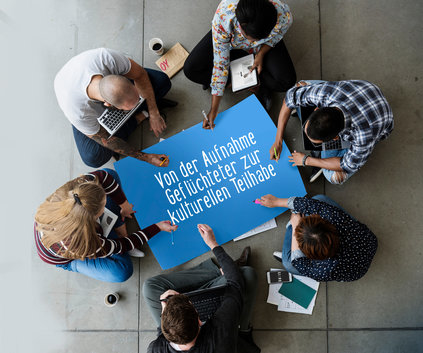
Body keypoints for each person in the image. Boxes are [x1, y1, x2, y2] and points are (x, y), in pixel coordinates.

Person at [34, 168, 178, 282]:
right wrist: (157, 227)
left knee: (110, 175)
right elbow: (124, 245)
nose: (105, 205)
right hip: (69, 255)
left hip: (76, 225)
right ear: (90, 220)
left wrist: (124, 205)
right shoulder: (85, 243)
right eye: (102, 208)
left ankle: (116, 225)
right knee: (122, 271)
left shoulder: (77, 190)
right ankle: (75, 266)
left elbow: (105, 177)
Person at [143, 224, 260, 353]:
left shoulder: (155, 349)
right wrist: (213, 244)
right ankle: (243, 330)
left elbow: (161, 335)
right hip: (225, 336)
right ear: (199, 320)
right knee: (246, 275)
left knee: (150, 287)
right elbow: (235, 284)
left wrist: (164, 315)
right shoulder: (221, 332)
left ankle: (219, 272)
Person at [54, 47, 178, 168]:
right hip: (81, 108)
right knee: (93, 157)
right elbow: (106, 139)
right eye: (127, 108)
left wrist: (154, 112)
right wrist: (146, 157)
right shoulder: (77, 111)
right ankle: (138, 118)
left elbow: (140, 76)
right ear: (108, 104)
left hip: (100, 80)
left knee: (162, 81)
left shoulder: (107, 58)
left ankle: (139, 113)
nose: (137, 104)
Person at [183, 0, 296, 128]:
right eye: (251, 39)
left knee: (286, 81)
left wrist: (261, 53)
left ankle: (244, 78)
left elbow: (278, 35)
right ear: (240, 26)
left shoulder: (283, 15)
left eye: (259, 39)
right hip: (228, 43)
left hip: (262, 48)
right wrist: (213, 110)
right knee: (191, 69)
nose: (253, 44)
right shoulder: (224, 17)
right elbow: (220, 64)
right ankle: (242, 77)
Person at [270, 80, 394, 184]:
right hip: (362, 92)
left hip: (377, 122)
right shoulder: (325, 93)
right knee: (299, 86)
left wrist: (306, 160)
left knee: (333, 177)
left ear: (336, 138)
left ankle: (322, 157)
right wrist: (278, 139)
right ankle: (323, 156)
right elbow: (290, 97)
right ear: (317, 109)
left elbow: (347, 165)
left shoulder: (363, 135)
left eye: (317, 142)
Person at [257, 194, 378, 282]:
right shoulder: (337, 219)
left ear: (310, 255)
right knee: (319, 200)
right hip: (368, 242)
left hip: (352, 268)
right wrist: (277, 201)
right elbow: (316, 206)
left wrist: (294, 224)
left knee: (288, 263)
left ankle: (291, 232)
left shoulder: (325, 270)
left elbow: (298, 262)